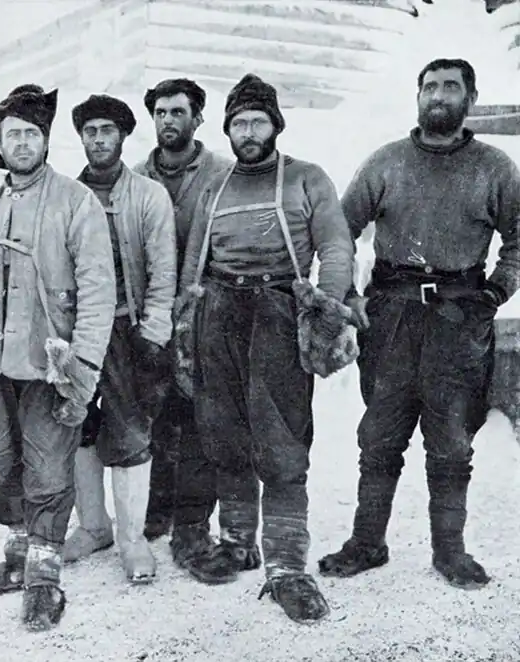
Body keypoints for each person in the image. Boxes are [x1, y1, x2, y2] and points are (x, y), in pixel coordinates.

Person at [318, 58, 520, 590]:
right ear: (418, 95)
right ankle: (367, 541)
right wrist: (349, 294)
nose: (438, 95)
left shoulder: (494, 168)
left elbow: (519, 241)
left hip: (459, 319)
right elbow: (340, 231)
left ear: (469, 99)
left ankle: (450, 551)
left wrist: (494, 293)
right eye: (429, 86)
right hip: (391, 317)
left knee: (452, 442)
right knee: (379, 436)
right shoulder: (386, 163)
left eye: (450, 87)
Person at [178, 74, 355, 622]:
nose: (247, 132)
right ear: (227, 130)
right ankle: (237, 541)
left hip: (279, 310)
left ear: (275, 125)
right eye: (238, 123)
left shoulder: (306, 179)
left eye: (257, 121)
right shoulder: (215, 186)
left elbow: (336, 245)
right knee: (224, 431)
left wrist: (325, 309)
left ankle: (286, 565)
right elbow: (193, 263)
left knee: (280, 440)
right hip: (220, 313)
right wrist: (186, 322)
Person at [0, 84, 115, 630]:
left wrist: (81, 370)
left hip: (49, 368)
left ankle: (44, 578)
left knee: (47, 472)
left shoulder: (75, 201)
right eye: (12, 134)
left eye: (31, 134)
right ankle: (18, 560)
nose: (22, 143)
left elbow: (97, 290)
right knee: (5, 469)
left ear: (45, 140)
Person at [134, 78, 260, 581]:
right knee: (158, 416)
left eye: (179, 111)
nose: (169, 120)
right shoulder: (137, 176)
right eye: (161, 112)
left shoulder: (224, 174)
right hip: (150, 314)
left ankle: (193, 525)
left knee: (204, 420)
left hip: (209, 313)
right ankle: (157, 508)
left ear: (198, 118)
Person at [61, 94, 176, 585]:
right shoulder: (65, 194)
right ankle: (94, 526)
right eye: (90, 131)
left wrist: (153, 333)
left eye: (108, 130)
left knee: (129, 433)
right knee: (79, 427)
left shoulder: (148, 195)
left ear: (124, 136)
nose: (99, 139)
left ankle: (133, 539)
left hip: (129, 330)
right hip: (76, 332)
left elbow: (163, 270)